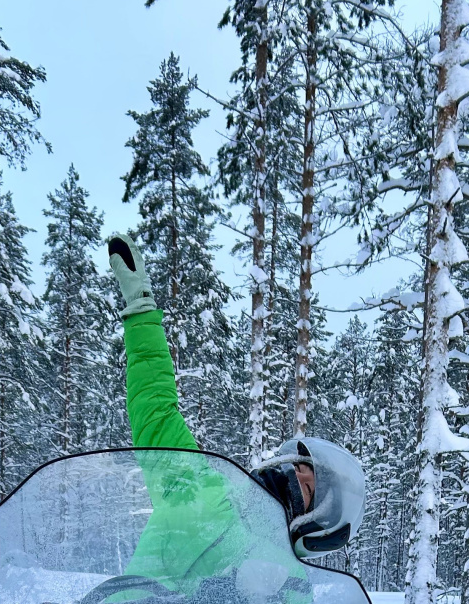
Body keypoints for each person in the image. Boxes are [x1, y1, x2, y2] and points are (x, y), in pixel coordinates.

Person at [107, 233, 365, 559]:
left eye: (309, 487)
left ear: (311, 527)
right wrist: (141, 308)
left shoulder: (286, 585)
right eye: (299, 466)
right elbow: (155, 411)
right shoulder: (198, 488)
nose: (294, 473)